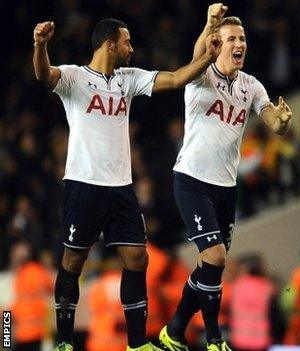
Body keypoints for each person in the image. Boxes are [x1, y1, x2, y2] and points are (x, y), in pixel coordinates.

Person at [33, 13, 222, 351]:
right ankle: (63, 341)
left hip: (121, 188)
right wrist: (40, 45)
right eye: (127, 42)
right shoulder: (75, 78)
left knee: (137, 258)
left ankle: (137, 344)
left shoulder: (128, 79)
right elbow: (44, 74)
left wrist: (208, 56)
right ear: (110, 44)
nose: (131, 48)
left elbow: (177, 79)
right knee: (73, 262)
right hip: (83, 184)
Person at [157, 5, 293, 351]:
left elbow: (273, 125)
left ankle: (173, 331)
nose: (240, 44)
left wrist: (282, 120)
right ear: (218, 44)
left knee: (208, 264)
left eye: (243, 39)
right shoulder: (201, 73)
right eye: (232, 38)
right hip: (192, 180)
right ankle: (215, 338)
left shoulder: (251, 86)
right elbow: (199, 51)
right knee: (216, 258)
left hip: (225, 188)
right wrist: (210, 24)